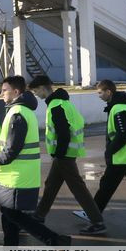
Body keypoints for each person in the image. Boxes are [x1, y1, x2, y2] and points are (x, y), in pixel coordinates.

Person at [0, 76, 71, 247]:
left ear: (16, 92)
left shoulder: (18, 113)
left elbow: (12, 148)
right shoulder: (22, 111)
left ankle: (55, 240)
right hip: (16, 174)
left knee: (12, 214)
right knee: (9, 214)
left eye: (4, 90)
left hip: (15, 175)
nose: (1, 93)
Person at [73, 79, 126, 222]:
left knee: (108, 185)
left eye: (100, 93)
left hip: (122, 156)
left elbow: (123, 134)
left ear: (109, 92)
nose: (99, 96)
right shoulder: (123, 106)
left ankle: (93, 213)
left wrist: (109, 151)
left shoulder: (118, 109)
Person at [29, 75, 106, 235]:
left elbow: (63, 133)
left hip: (64, 155)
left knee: (77, 188)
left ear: (42, 88)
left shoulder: (56, 105)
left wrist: (59, 154)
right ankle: (39, 215)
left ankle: (97, 222)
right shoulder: (63, 103)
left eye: (36, 91)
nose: (36, 94)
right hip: (65, 153)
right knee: (51, 184)